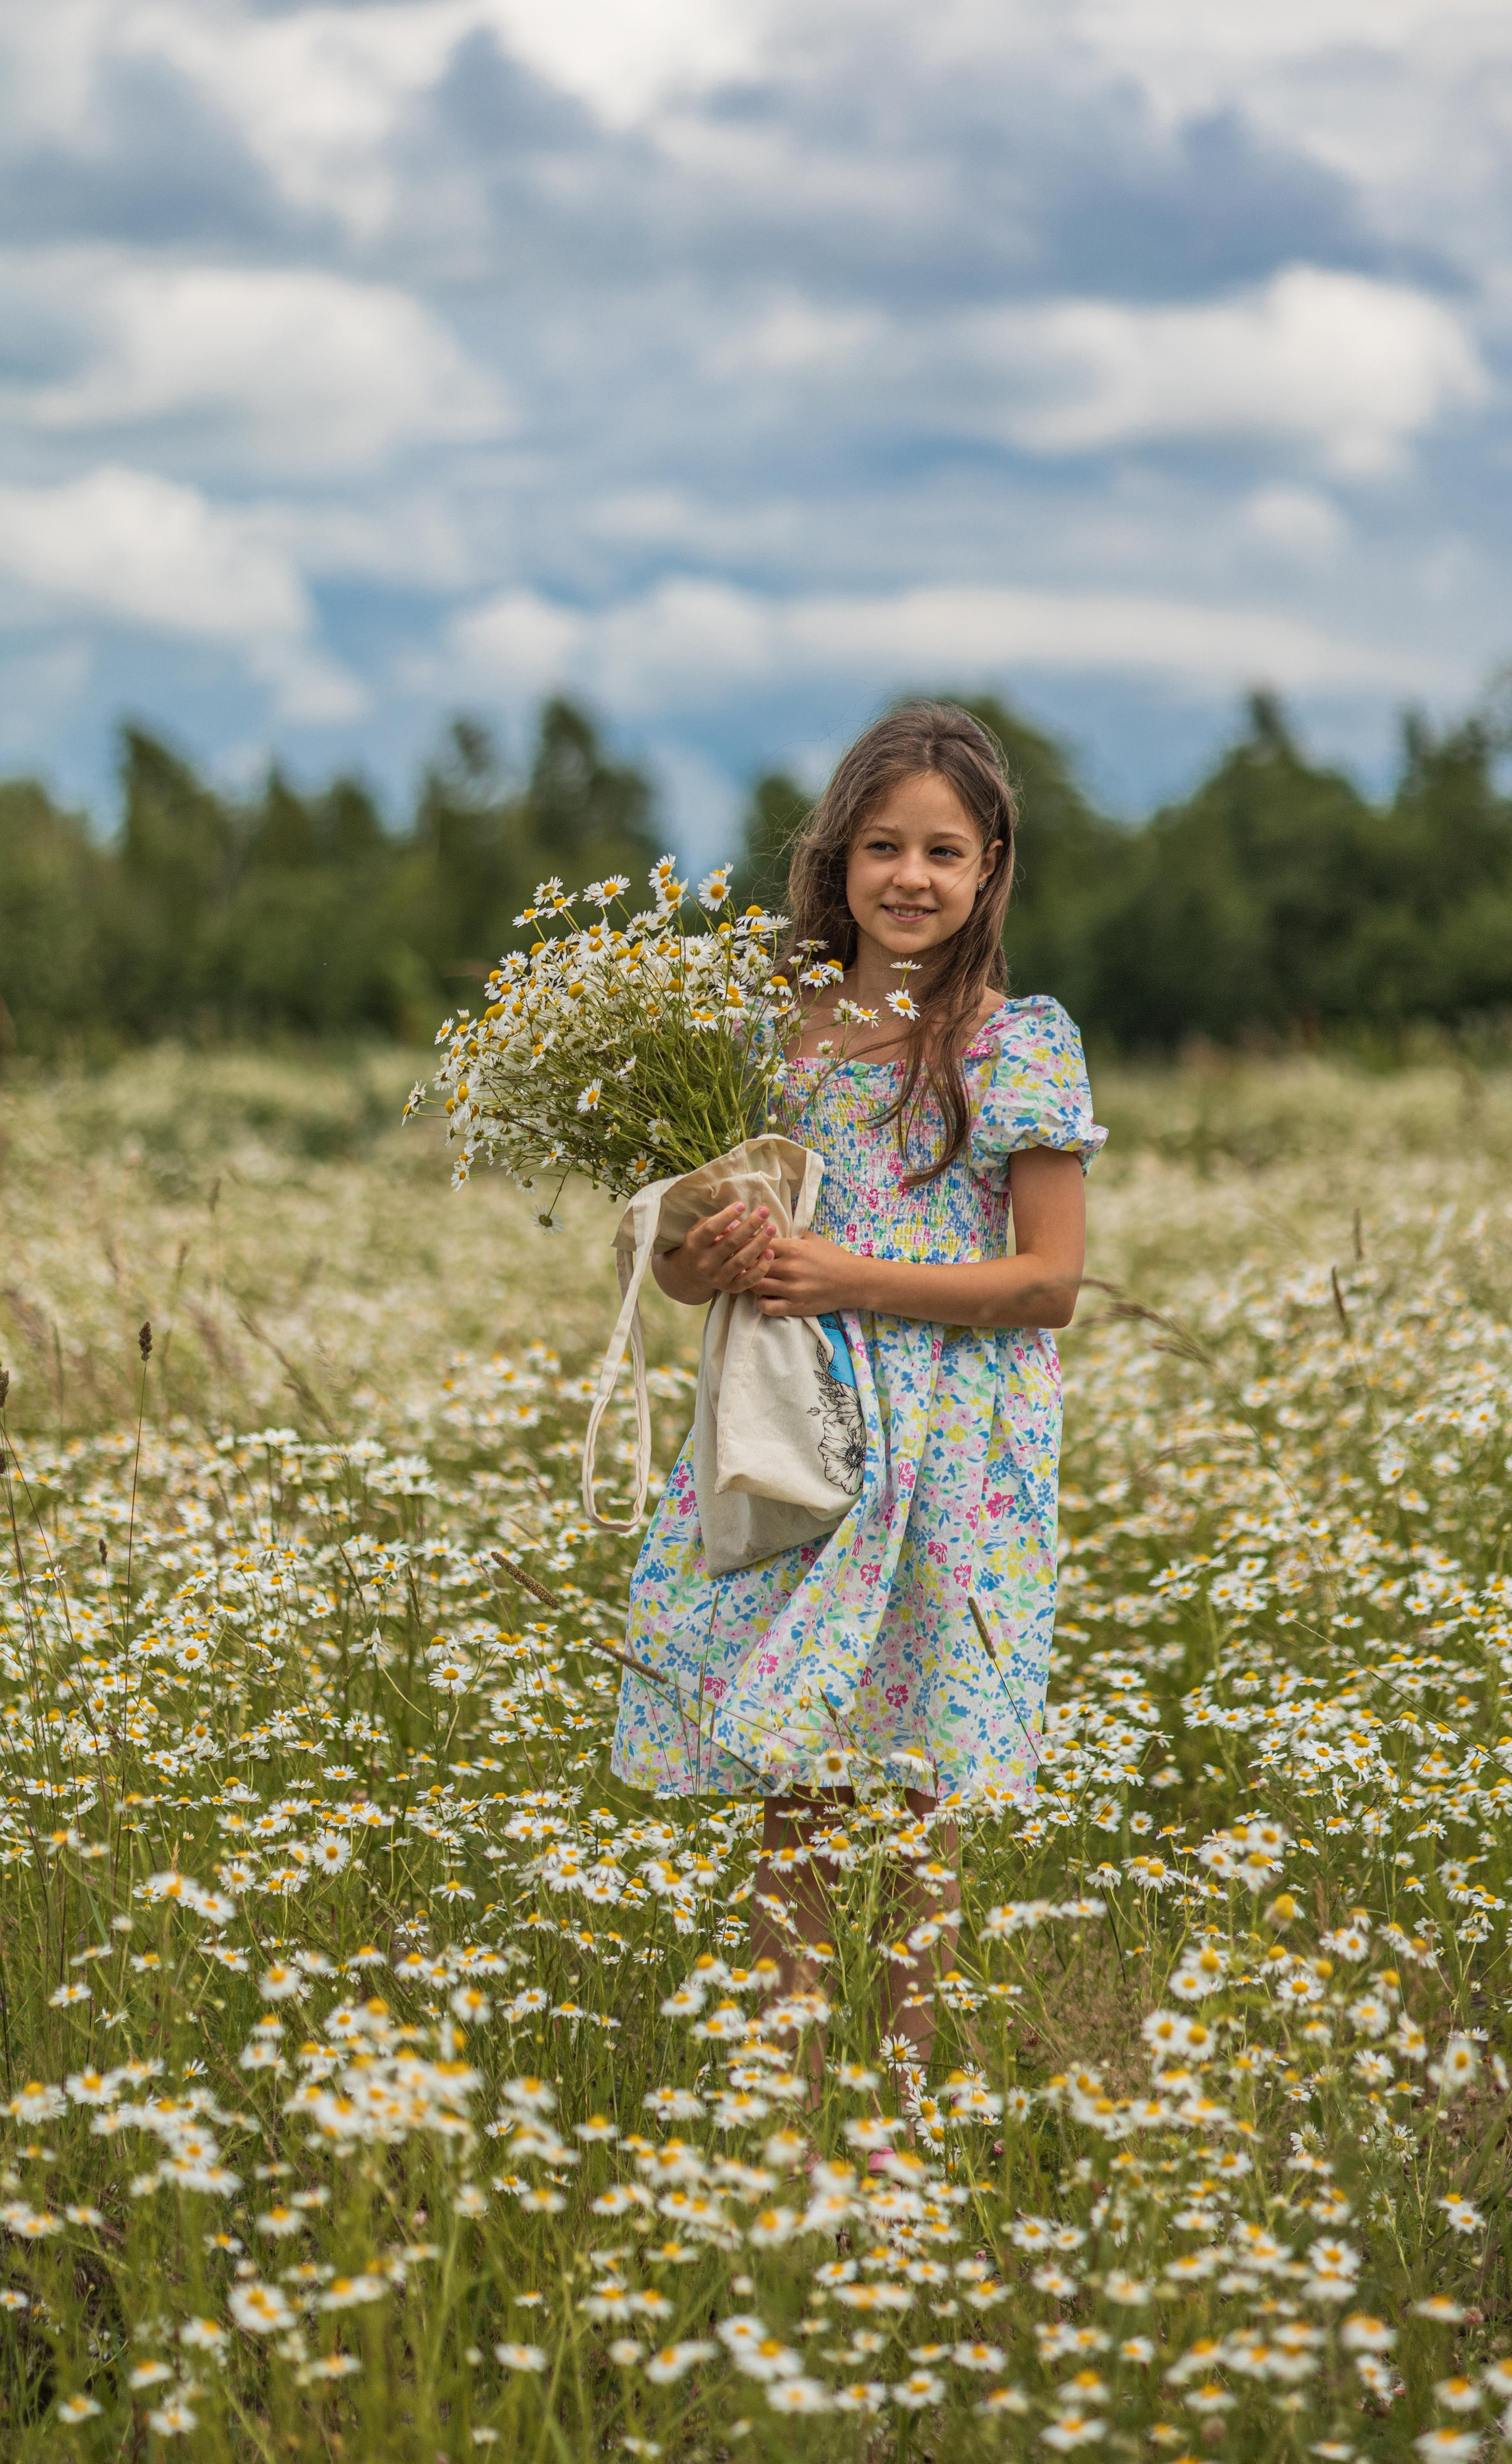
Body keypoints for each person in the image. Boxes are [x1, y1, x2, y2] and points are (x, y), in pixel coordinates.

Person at [608, 700, 1104, 2131]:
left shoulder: (1013, 1043)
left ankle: (898, 2110)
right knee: (794, 1782)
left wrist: (845, 1274)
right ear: (833, 860)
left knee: (912, 1787)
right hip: (798, 1438)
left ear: (989, 864)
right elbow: (681, 1257)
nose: (909, 876)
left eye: (941, 851)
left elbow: (1048, 1282)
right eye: (880, 845)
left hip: (952, 1454)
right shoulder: (769, 1041)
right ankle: (781, 2111)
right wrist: (716, 1257)